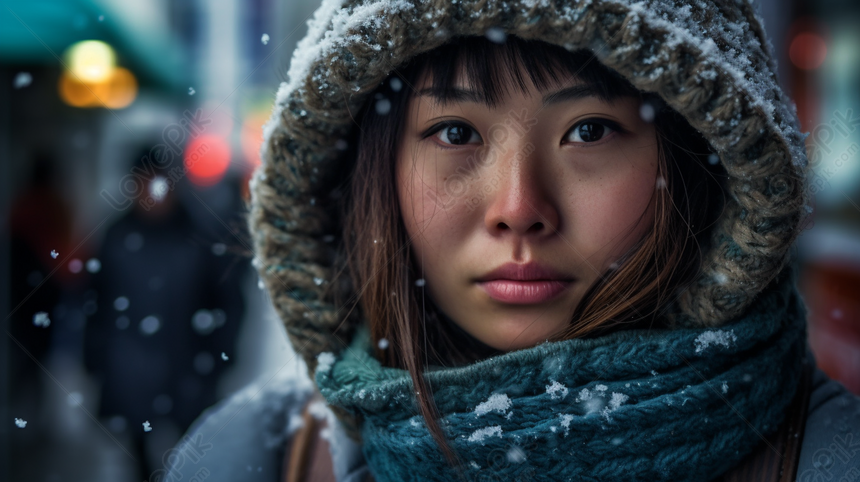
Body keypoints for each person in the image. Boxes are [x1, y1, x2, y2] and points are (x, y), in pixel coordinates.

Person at [168, 1, 860, 481]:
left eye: (589, 131)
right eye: (455, 133)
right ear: (374, 178)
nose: (519, 209)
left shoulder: (834, 458)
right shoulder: (251, 460)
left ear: (700, 171)